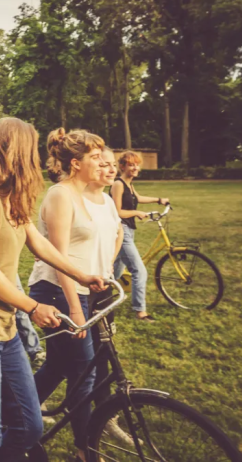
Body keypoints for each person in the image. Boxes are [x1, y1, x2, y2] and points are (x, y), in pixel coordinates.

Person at [0, 118, 105, 461]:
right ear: (13, 149)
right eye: (29, 148)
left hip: (4, 328)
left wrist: (82, 275)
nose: (34, 155)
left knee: (29, 427)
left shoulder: (9, 195)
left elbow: (41, 245)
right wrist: (33, 307)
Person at [29, 128, 104, 462]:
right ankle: (85, 450)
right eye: (94, 157)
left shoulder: (83, 193)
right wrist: (75, 308)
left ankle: (15, 416)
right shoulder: (60, 195)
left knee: (59, 366)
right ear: (76, 163)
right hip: (56, 291)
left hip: (78, 291)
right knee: (83, 372)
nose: (102, 161)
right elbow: (57, 257)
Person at [83, 147, 132, 444]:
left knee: (103, 354)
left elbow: (119, 232)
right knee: (71, 362)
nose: (110, 169)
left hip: (103, 286)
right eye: (103, 164)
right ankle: (32, 409)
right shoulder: (72, 198)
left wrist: (108, 266)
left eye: (112, 165)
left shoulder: (106, 201)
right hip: (78, 289)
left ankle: (105, 418)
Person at [110, 151, 169, 322]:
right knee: (139, 270)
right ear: (122, 166)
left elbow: (137, 198)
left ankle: (96, 295)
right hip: (120, 230)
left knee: (116, 270)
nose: (135, 167)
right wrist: (136, 212)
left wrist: (158, 200)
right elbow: (117, 211)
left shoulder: (129, 184)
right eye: (131, 164)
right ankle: (140, 312)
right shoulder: (118, 185)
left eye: (137, 164)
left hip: (128, 230)